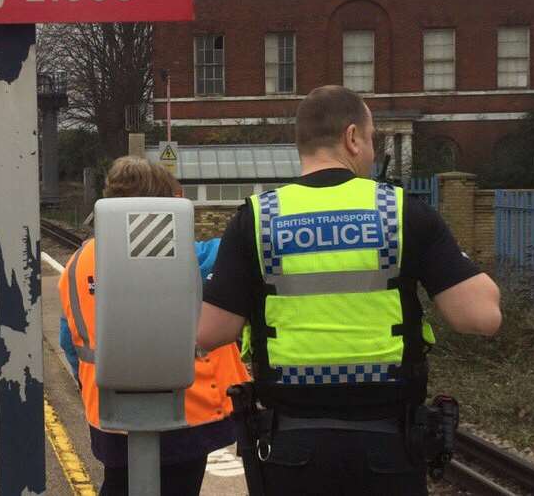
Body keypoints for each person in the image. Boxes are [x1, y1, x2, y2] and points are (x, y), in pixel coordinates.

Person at [197, 85, 502, 496]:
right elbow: (481, 318)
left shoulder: (256, 220)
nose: (373, 152)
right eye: (372, 139)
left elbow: (210, 332)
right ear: (352, 137)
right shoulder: (401, 212)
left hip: (289, 447)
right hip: (388, 446)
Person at [59, 157, 250, 496]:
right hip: (185, 415)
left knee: (119, 484)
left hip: (110, 412)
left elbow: (69, 340)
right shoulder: (193, 256)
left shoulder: (77, 263)